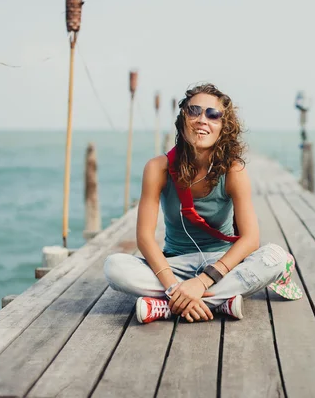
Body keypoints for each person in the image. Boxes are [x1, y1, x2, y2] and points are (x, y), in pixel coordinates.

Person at [104, 83, 302, 324]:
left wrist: (202, 282)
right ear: (183, 119)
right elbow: (145, 238)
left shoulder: (233, 171)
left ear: (222, 127)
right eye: (194, 111)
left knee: (275, 257)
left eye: (213, 114)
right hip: (174, 264)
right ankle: (217, 302)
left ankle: (168, 307)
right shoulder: (157, 168)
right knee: (114, 266)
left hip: (221, 265)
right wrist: (173, 287)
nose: (202, 119)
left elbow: (250, 239)